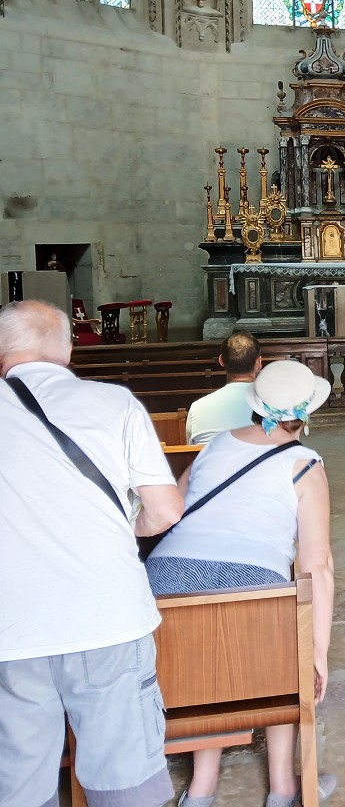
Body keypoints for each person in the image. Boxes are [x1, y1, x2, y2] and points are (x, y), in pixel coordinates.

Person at [0, 300, 183, 807]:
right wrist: (122, 528)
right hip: (107, 615)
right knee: (125, 781)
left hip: (10, 625)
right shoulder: (115, 403)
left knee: (18, 781)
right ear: (68, 348)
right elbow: (166, 511)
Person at [146, 359, 336, 807]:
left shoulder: (215, 446)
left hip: (164, 582)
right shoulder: (305, 465)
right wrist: (317, 651)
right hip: (252, 585)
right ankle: (283, 789)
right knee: (281, 659)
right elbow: (317, 565)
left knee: (200, 664)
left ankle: (202, 788)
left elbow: (175, 508)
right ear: (307, 414)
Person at [186, 330, 262, 445]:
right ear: (258, 362)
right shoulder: (277, 407)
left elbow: (191, 452)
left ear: (221, 360)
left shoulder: (197, 408)